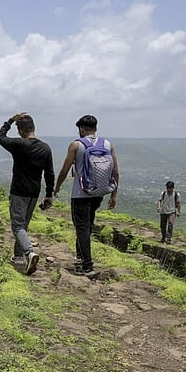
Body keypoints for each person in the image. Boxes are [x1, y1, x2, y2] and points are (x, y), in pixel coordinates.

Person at [54, 114, 119, 276]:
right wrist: (113, 195)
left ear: (82, 129)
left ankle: (87, 264)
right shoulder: (107, 144)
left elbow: (64, 170)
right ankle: (81, 255)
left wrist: (57, 187)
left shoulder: (76, 145)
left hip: (80, 193)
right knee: (88, 224)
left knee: (81, 227)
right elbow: (115, 172)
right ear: (95, 128)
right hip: (98, 192)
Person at [0, 112, 55, 275]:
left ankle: (29, 253)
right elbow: (49, 173)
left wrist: (10, 120)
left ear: (21, 130)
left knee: (17, 226)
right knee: (23, 226)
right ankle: (18, 257)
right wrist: (49, 194)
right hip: (34, 192)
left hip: (19, 191)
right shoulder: (45, 148)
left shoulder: (20, 144)